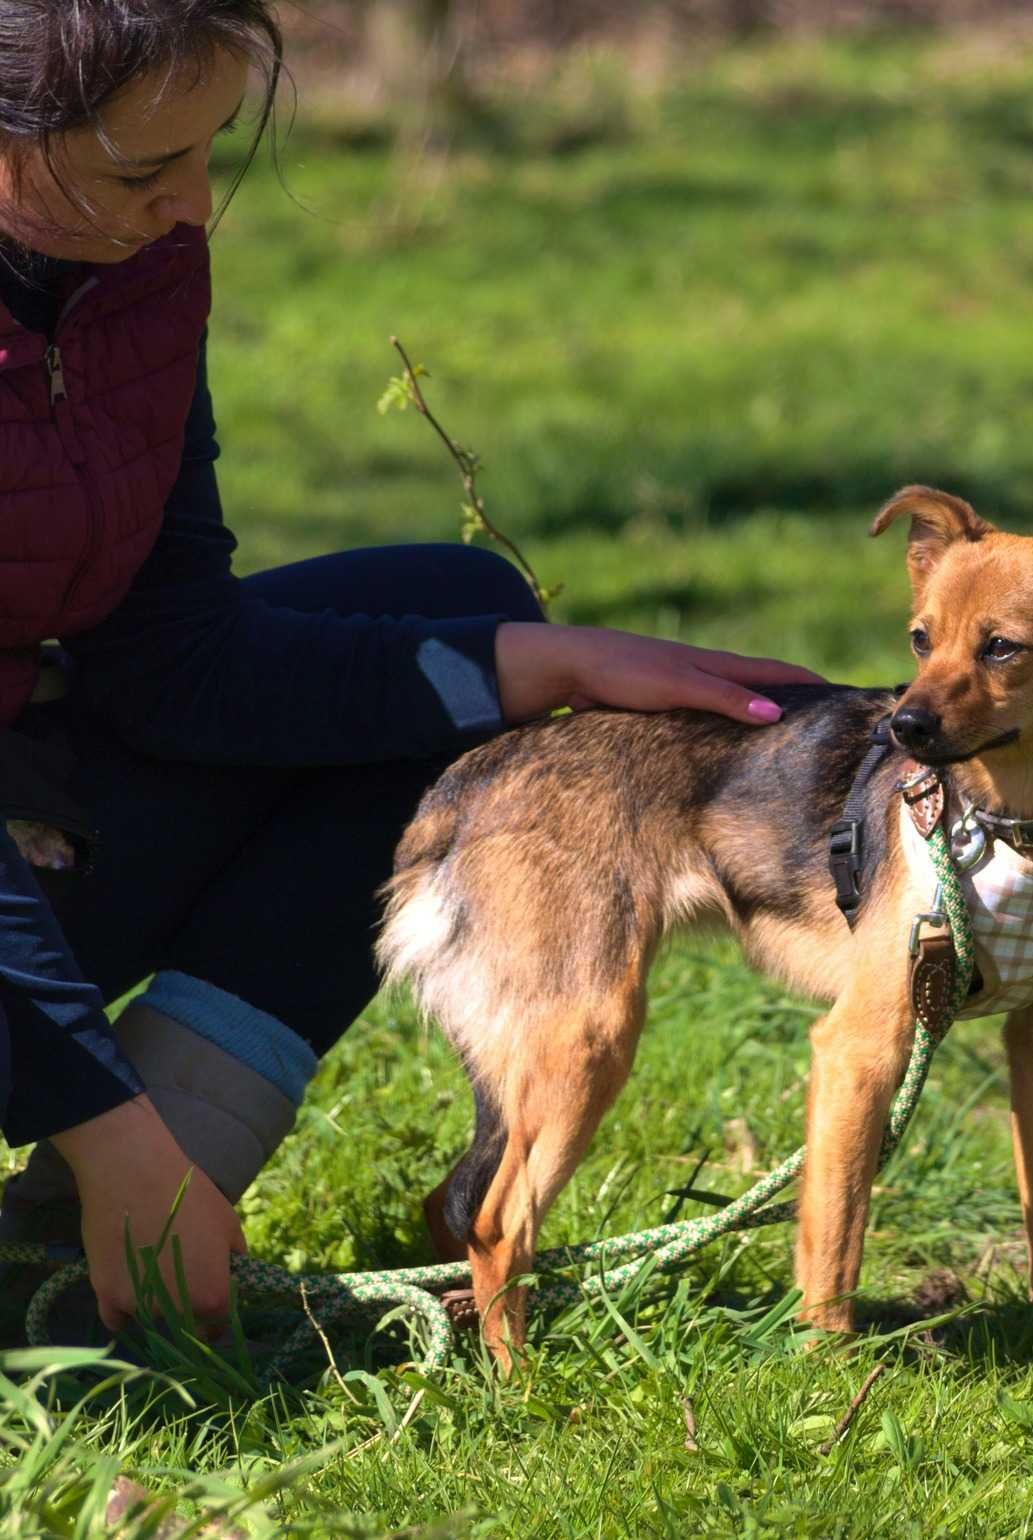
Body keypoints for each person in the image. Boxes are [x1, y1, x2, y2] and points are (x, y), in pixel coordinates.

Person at [0, 0, 819, 1337]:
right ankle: (126, 1189)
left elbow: (179, 667)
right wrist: (107, 1123)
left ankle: (78, 1256)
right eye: (147, 173)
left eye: (212, 154)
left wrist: (534, 662)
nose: (195, 208)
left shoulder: (131, 276)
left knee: (448, 614)